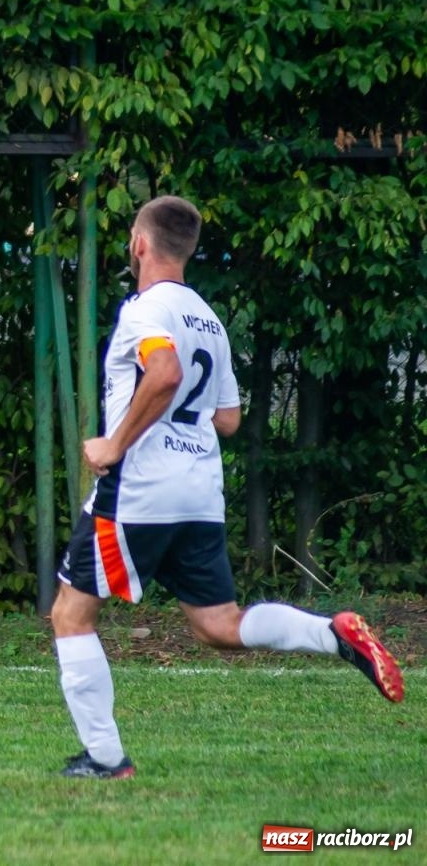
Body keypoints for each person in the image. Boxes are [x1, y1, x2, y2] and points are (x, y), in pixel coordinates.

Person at [52, 195, 403, 780]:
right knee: (219, 625)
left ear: (140, 244)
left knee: (71, 614)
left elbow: (163, 373)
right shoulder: (207, 319)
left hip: (140, 489)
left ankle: (107, 760)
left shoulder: (144, 309)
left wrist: (115, 443)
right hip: (199, 491)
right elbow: (228, 418)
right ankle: (331, 632)